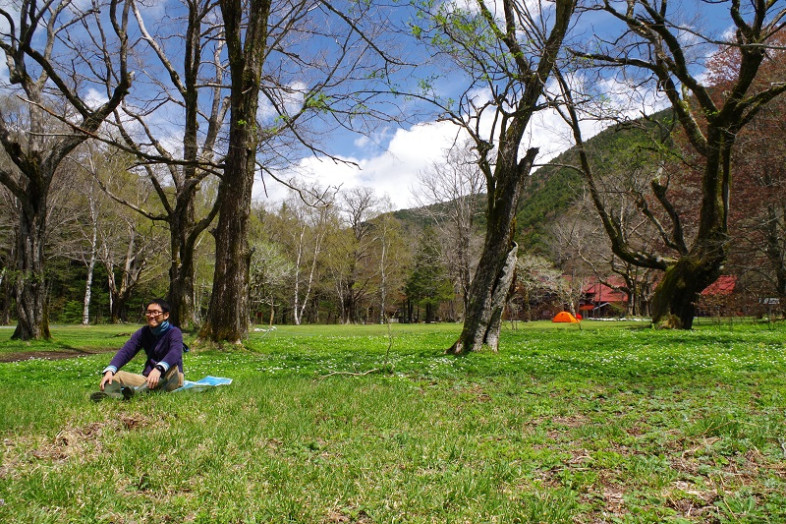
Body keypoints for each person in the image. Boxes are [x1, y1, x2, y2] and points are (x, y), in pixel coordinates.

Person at [93, 299, 184, 400]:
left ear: (166, 315)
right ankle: (112, 396)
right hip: (149, 380)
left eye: (156, 312)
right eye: (149, 312)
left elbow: (175, 352)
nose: (151, 315)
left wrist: (159, 368)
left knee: (172, 367)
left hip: (172, 377)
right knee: (116, 375)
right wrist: (110, 370)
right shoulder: (143, 332)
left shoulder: (174, 332)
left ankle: (136, 393)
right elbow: (126, 351)